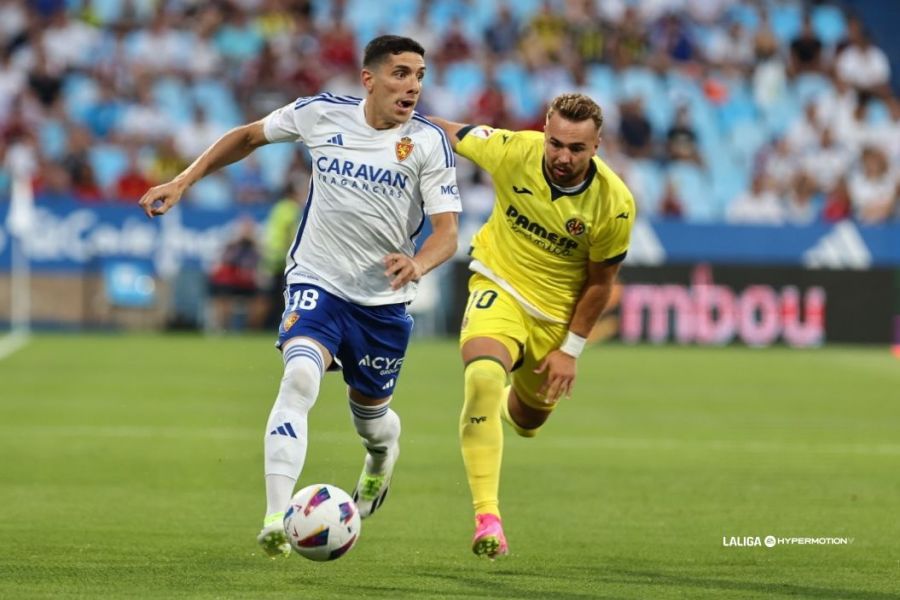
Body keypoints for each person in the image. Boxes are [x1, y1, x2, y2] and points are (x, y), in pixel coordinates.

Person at [139, 35, 461, 557]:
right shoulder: (320, 114)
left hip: (381, 302)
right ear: (369, 79)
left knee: (372, 421)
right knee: (299, 377)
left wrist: (418, 263)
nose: (413, 86)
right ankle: (275, 516)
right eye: (401, 73)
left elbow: (448, 232)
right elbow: (247, 137)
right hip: (318, 281)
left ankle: (381, 460)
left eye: (420, 75)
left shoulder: (427, 143)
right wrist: (183, 181)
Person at [429, 93, 634, 558]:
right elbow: (447, 130)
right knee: (481, 375)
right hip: (498, 284)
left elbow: (602, 284)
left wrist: (571, 349)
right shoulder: (512, 149)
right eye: (556, 143)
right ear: (544, 130)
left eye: (577, 149)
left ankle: (509, 401)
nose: (563, 157)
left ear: (597, 146)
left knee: (526, 420)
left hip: (556, 319)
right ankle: (488, 518)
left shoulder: (615, 204)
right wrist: (390, 116)